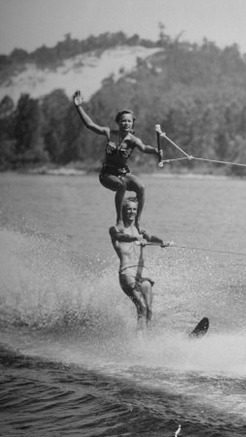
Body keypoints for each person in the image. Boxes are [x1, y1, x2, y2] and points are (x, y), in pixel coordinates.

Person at [73, 90, 160, 230]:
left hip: (123, 174)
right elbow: (90, 125)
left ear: (132, 124)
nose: (126, 123)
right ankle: (119, 220)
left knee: (141, 187)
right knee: (121, 186)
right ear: (118, 122)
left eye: (129, 121)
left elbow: (144, 148)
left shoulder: (133, 140)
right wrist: (78, 107)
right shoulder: (109, 133)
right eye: (123, 120)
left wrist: (156, 151)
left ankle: (137, 222)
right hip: (107, 175)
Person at [109, 197, 171, 331]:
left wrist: (161, 242)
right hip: (127, 272)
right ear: (122, 211)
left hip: (143, 271)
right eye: (128, 209)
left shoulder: (141, 230)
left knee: (149, 309)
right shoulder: (115, 230)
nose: (131, 212)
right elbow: (121, 237)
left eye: (134, 209)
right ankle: (139, 341)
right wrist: (136, 238)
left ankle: (147, 338)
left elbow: (151, 238)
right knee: (141, 307)